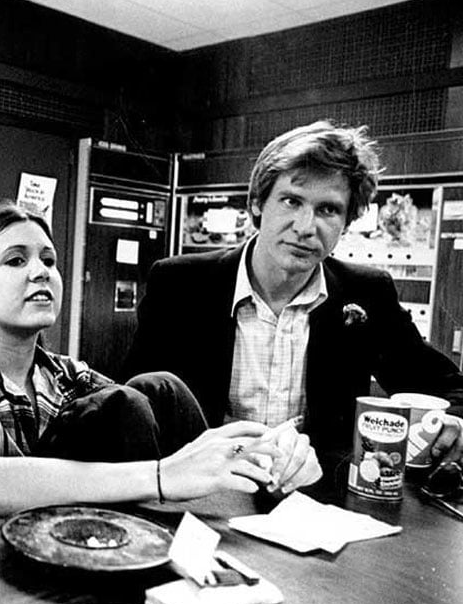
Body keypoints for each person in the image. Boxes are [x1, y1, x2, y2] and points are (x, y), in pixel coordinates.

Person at [0, 203, 321, 530]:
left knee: (160, 388)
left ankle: (241, 500)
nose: (40, 273)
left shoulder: (65, 374)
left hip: (61, 540)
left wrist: (273, 453)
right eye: (16, 261)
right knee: (131, 402)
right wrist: (160, 477)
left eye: (48, 261)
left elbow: (140, 414)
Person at [125, 120, 463, 474]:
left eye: (327, 210)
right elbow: (134, 400)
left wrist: (453, 420)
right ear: (257, 203)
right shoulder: (181, 282)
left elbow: (449, 387)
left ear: (347, 223)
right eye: (291, 201)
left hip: (314, 505)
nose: (305, 227)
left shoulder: (366, 292)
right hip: (203, 492)